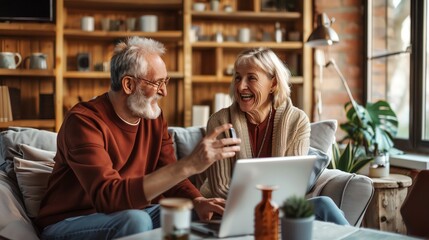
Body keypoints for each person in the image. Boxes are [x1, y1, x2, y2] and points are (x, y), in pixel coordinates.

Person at [35, 36, 241, 239]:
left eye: (165, 81)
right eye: (158, 82)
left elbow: (169, 176)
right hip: (71, 221)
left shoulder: (153, 118)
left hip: (132, 213)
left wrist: (197, 200)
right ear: (128, 85)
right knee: (136, 221)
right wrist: (190, 164)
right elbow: (108, 197)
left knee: (193, 213)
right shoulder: (83, 121)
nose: (165, 91)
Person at [199, 47, 349, 225]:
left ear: (274, 84)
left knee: (325, 205)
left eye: (251, 78)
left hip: (280, 207)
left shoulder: (297, 120)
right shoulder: (220, 121)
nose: (240, 86)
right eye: (238, 77)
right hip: (231, 208)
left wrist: (270, 208)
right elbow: (221, 187)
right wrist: (264, 207)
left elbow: (293, 185)